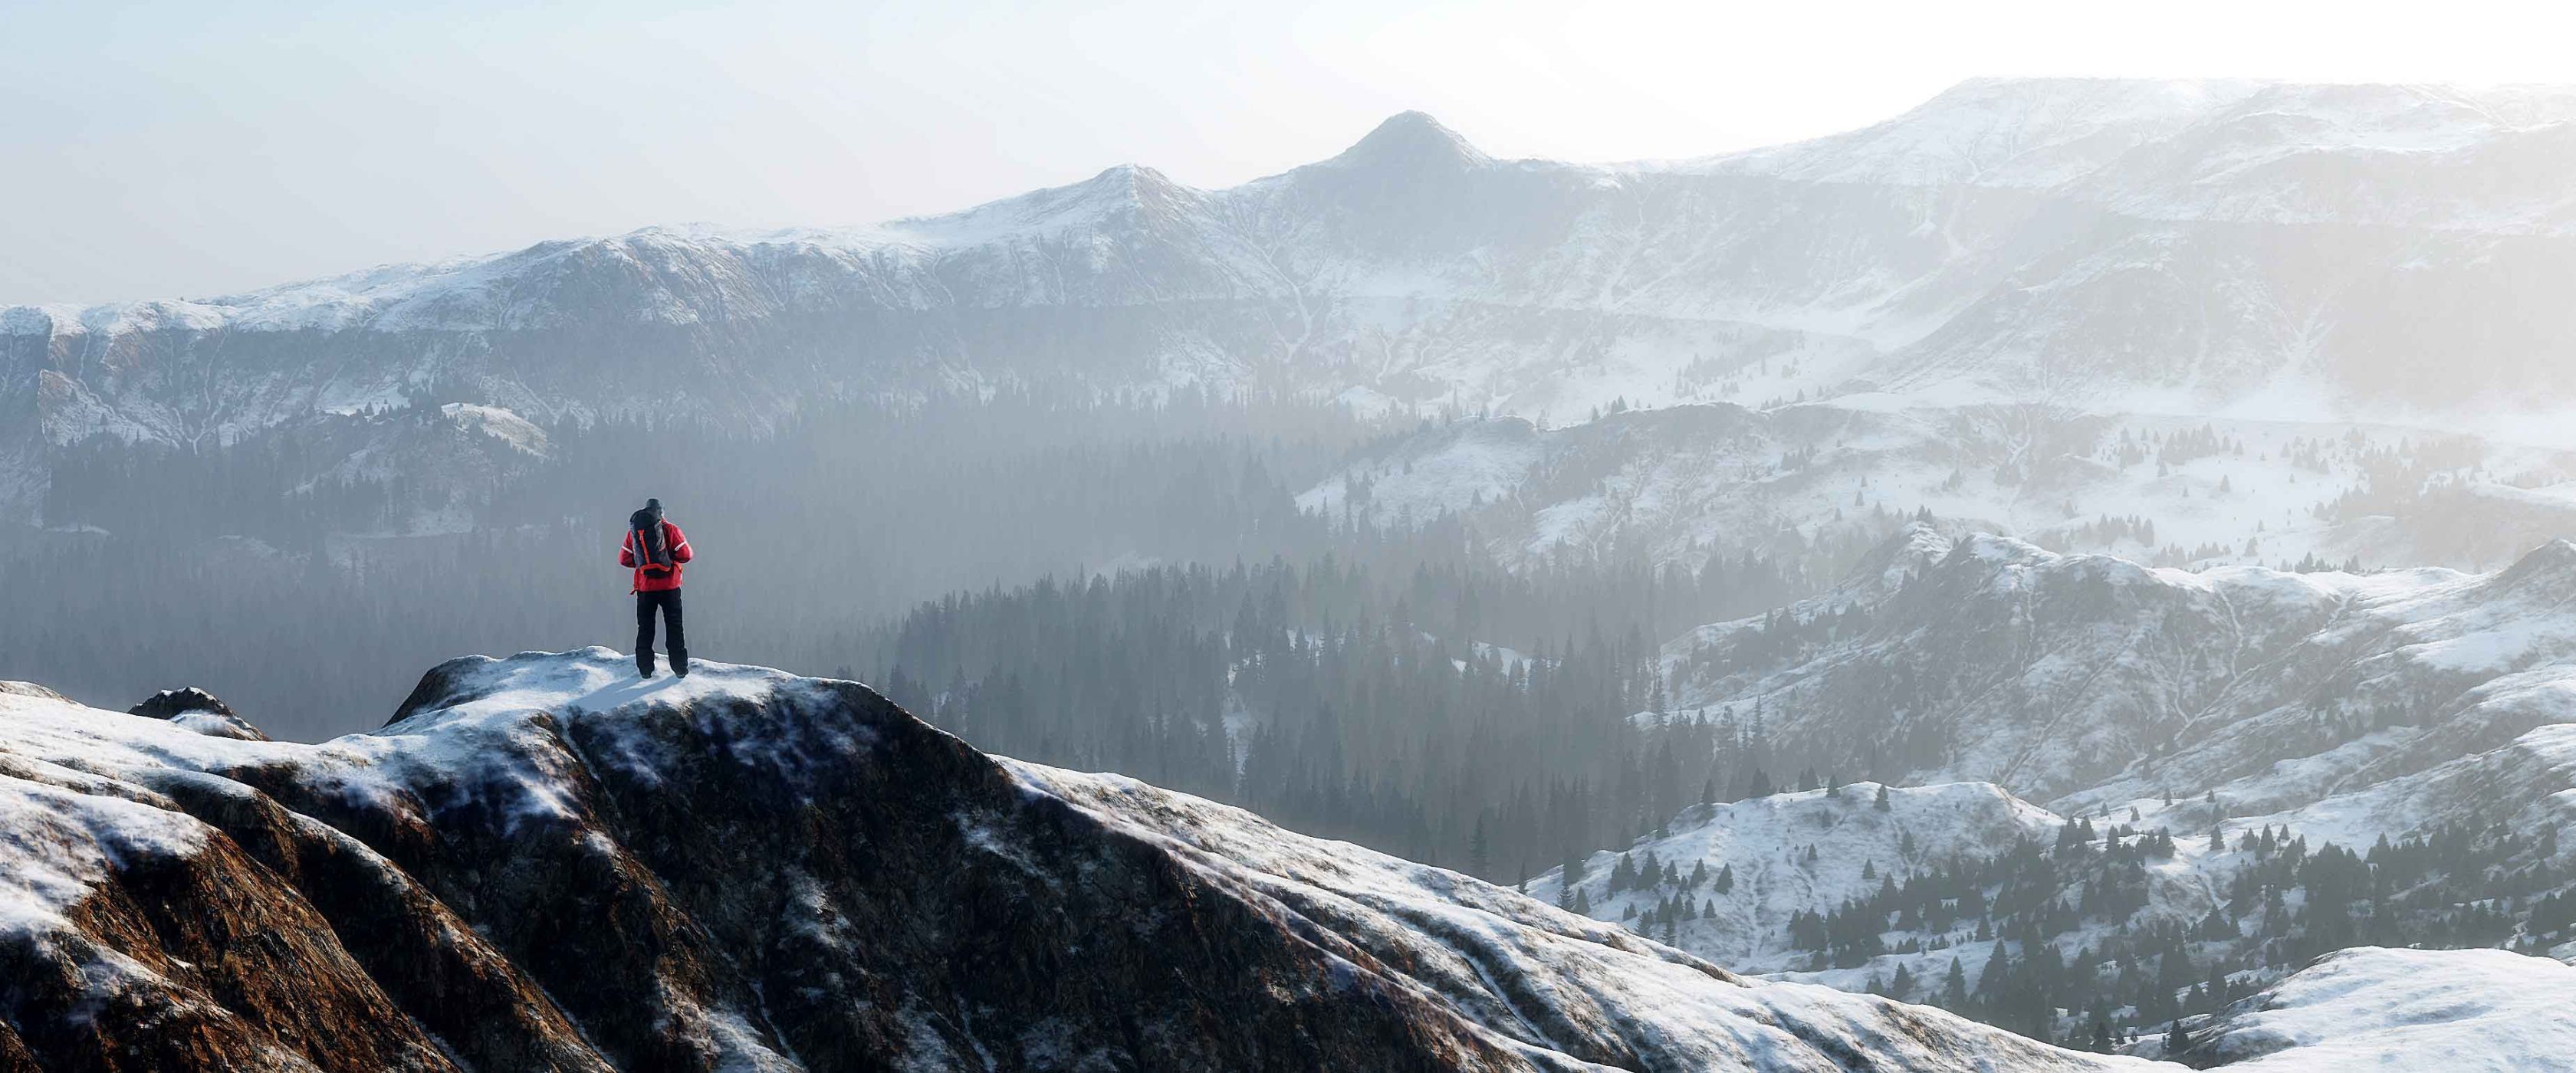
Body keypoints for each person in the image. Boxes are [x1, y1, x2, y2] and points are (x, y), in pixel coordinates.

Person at [619, 498, 694, 678]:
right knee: (674, 627)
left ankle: (645, 671)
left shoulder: (635, 533)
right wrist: (670, 561)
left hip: (645, 589)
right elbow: (687, 555)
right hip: (670, 588)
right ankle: (680, 670)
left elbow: (624, 559)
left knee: (645, 628)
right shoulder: (671, 529)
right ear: (661, 513)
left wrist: (643, 566)